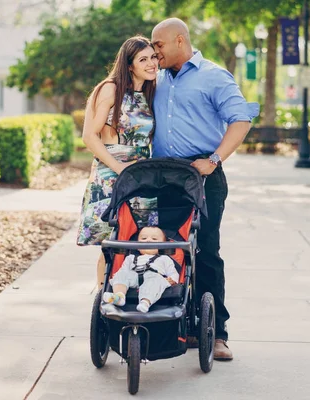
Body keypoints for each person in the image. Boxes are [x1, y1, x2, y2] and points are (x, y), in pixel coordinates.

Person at [151, 18, 259, 361]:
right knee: (164, 250)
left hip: (203, 176)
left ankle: (216, 334)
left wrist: (213, 159)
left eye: (159, 45)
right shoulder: (155, 78)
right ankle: (170, 327)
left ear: (180, 40)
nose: (155, 52)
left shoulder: (213, 75)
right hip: (163, 176)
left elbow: (241, 119)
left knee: (206, 252)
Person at [77, 36, 158, 288]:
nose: (151, 63)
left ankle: (131, 297)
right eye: (143, 59)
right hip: (112, 173)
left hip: (142, 174)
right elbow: (89, 136)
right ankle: (103, 299)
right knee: (111, 243)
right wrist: (119, 167)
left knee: (140, 241)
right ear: (129, 65)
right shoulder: (111, 88)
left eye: (153, 57)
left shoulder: (147, 92)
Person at [103, 226, 179, 313]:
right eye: (143, 238)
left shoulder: (164, 259)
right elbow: (123, 270)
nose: (148, 240)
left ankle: (145, 302)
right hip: (133, 278)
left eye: (154, 239)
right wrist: (119, 276)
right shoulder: (130, 258)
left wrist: (172, 279)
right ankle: (119, 296)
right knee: (122, 274)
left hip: (153, 277)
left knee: (156, 281)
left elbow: (173, 273)